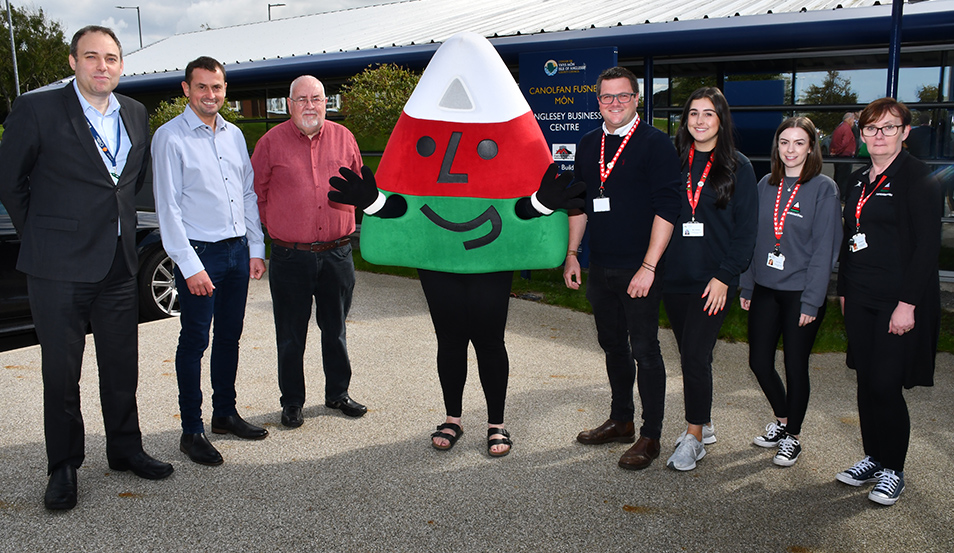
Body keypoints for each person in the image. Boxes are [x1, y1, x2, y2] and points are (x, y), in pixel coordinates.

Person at [0, 26, 173, 510]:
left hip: (119, 264)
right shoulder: (38, 110)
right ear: (73, 61)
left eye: (112, 58)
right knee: (61, 373)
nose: (103, 66)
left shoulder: (135, 114)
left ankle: (125, 448)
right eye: (92, 57)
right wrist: (41, 234)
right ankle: (63, 467)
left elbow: (125, 184)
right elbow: (10, 181)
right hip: (57, 269)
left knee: (121, 367)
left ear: (121, 65)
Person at [564, 66, 682, 471]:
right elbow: (579, 203)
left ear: (636, 99)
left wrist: (649, 266)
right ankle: (622, 420)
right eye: (606, 97)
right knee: (613, 346)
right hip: (602, 266)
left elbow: (669, 209)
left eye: (622, 96)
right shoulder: (587, 143)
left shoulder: (656, 144)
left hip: (641, 268)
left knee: (645, 350)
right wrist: (573, 254)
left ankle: (651, 434)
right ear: (597, 101)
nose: (614, 104)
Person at [152, 56, 268, 466]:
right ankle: (191, 430)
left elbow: (249, 194)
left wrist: (256, 249)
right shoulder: (170, 138)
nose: (210, 95)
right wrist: (190, 266)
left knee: (229, 338)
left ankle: (224, 414)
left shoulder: (235, 135)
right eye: (202, 87)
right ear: (186, 89)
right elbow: (168, 209)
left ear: (224, 90)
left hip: (237, 252)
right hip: (200, 254)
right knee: (194, 341)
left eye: (217, 87)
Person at [834, 98, 941, 506]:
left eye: (889, 128)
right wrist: (843, 290)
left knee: (885, 384)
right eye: (871, 128)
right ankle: (874, 457)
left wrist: (908, 304)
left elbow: (928, 248)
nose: (879, 135)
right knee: (865, 380)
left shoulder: (918, 178)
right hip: (859, 296)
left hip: (897, 300)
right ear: (861, 134)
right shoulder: (858, 180)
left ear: (905, 132)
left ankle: (893, 468)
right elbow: (850, 239)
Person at [250, 75, 367, 428]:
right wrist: (272, 229)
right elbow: (257, 194)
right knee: (290, 334)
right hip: (290, 256)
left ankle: (338, 393)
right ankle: (292, 402)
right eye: (301, 99)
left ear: (326, 102)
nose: (309, 106)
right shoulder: (270, 143)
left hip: (337, 254)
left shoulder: (344, 138)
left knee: (336, 329)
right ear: (289, 104)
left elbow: (360, 186)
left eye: (316, 98)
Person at [662, 87, 757, 471]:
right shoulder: (674, 162)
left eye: (709, 114)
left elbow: (746, 231)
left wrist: (724, 277)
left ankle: (693, 437)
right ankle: (705, 419)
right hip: (675, 277)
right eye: (693, 114)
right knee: (692, 356)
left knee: (694, 355)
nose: (700, 121)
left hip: (713, 281)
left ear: (721, 120)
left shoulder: (739, 166)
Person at [739, 117, 842, 468]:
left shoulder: (823, 188)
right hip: (766, 288)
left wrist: (813, 299)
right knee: (758, 362)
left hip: (801, 293)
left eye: (799, 143)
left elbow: (824, 249)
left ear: (811, 147)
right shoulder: (765, 183)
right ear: (776, 147)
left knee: (796, 365)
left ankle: (793, 436)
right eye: (785, 142)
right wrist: (748, 283)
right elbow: (753, 239)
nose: (791, 150)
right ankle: (782, 420)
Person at [830, 112, 857, 200]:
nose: (854, 122)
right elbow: (845, 143)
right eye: (853, 119)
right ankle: (841, 197)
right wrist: (838, 151)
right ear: (849, 119)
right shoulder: (846, 129)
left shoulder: (839, 128)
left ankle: (837, 195)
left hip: (839, 156)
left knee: (838, 177)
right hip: (844, 156)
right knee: (844, 178)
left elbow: (834, 141)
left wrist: (834, 152)